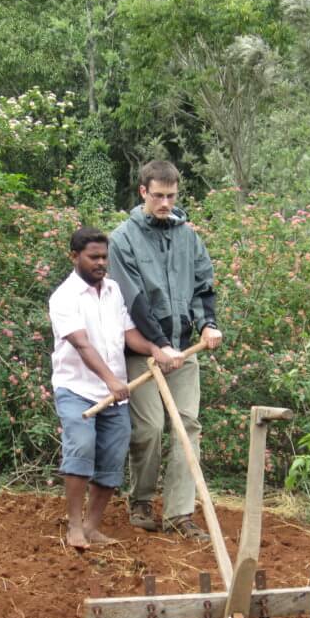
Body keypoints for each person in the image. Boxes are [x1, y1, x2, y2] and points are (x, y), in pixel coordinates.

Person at [108, 161, 223, 541]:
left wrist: (207, 324)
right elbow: (133, 299)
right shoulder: (122, 239)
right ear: (143, 191)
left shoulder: (189, 237)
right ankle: (140, 500)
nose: (165, 203)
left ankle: (179, 514)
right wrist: (158, 346)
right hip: (143, 350)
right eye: (158, 195)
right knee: (151, 428)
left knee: (187, 425)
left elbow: (204, 285)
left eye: (171, 196)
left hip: (184, 350)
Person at [49, 226, 182, 550]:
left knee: (112, 458)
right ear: (74, 257)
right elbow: (81, 344)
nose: (100, 263)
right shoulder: (63, 297)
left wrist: (154, 349)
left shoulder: (113, 291)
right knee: (81, 448)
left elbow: (127, 334)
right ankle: (75, 527)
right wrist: (110, 379)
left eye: (104, 257)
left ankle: (93, 527)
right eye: (93, 257)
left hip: (115, 395)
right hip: (77, 388)